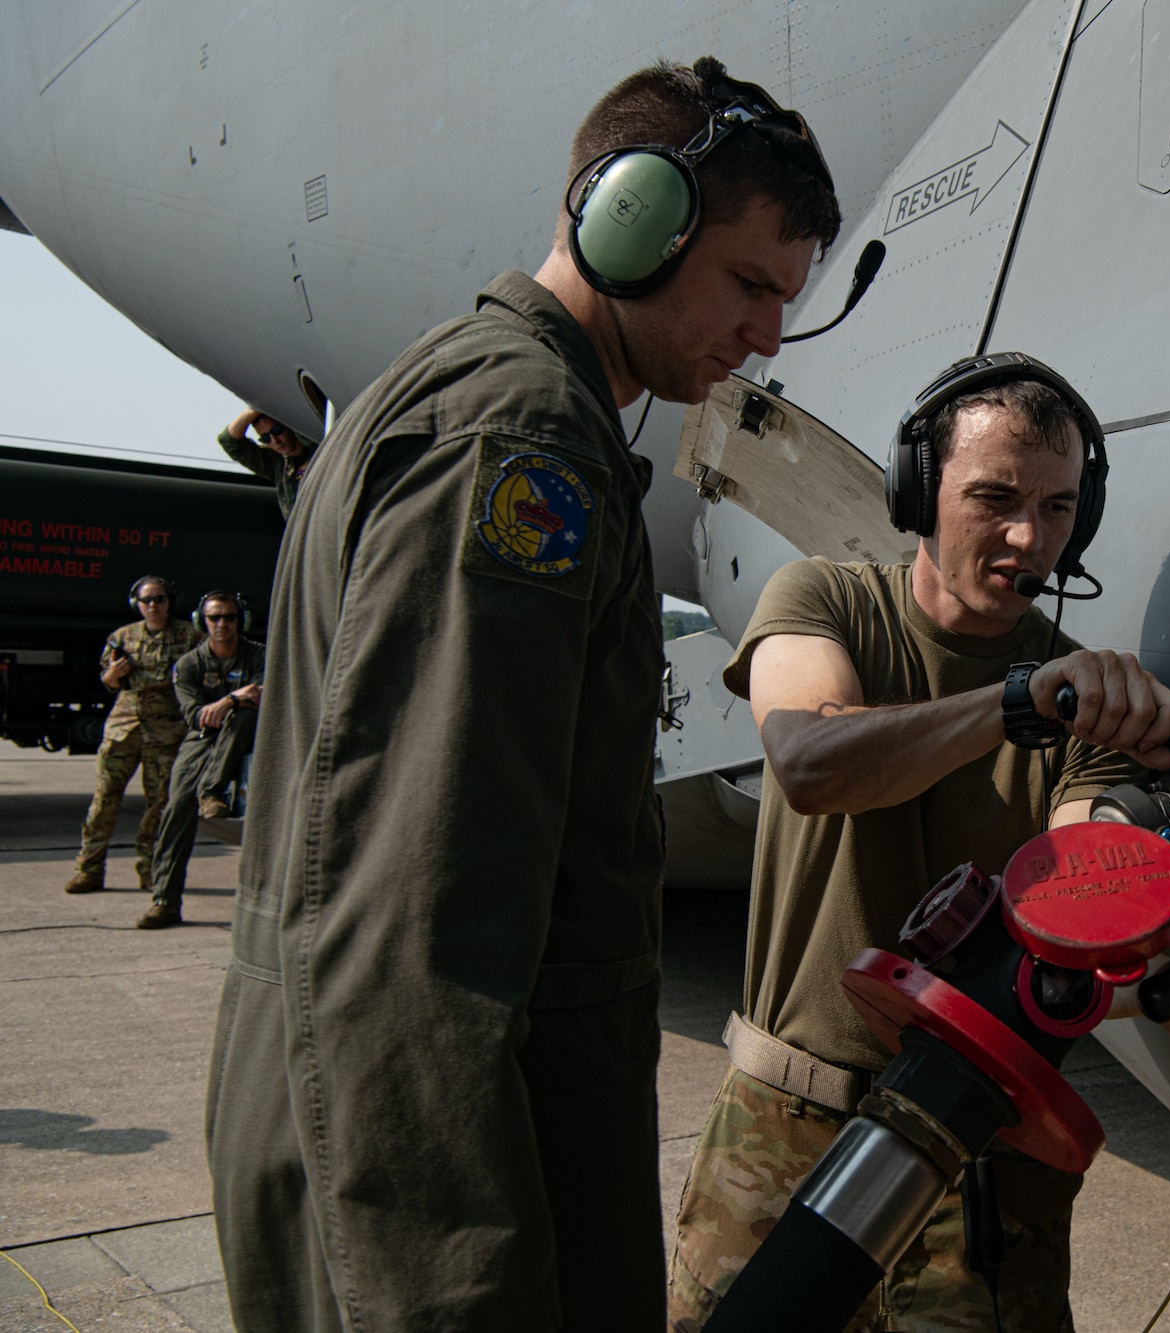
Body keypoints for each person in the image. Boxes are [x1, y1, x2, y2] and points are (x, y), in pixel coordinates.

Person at [204, 58, 841, 1331]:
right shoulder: (523, 445)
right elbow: (412, 931)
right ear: (627, 224)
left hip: (381, 1157)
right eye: (749, 282)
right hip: (437, 1198)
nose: (768, 334)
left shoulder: (458, 387)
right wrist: (453, 1293)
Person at [668, 359, 1170, 1332]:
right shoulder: (825, 601)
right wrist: (1013, 702)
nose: (1028, 537)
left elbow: (1087, 875)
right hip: (782, 1129)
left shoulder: (1082, 703)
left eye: (1057, 508)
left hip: (978, 1164)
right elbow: (809, 758)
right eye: (994, 497)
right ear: (918, 492)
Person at [64, 576, 201, 896]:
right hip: (124, 729)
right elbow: (107, 680)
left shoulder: (190, 637)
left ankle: (151, 871)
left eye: (160, 599)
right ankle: (89, 869)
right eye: (147, 600)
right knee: (103, 801)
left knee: (159, 806)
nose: (153, 606)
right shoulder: (121, 637)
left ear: (171, 601)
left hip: (165, 733)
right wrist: (112, 675)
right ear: (135, 603)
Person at [137, 591, 264, 930]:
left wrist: (228, 702)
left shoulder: (259, 655)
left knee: (241, 718)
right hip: (204, 742)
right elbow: (196, 717)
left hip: (255, 740)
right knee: (176, 808)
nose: (222, 624)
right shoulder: (189, 665)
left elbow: (267, 693)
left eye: (229, 617)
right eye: (214, 618)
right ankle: (165, 901)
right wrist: (239, 698)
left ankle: (212, 791)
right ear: (201, 621)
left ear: (242, 620)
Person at [218, 409, 318, 520]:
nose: (275, 441)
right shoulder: (276, 464)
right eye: (266, 438)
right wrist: (255, 409)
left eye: (277, 430)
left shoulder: (317, 447)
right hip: (303, 533)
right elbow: (229, 441)